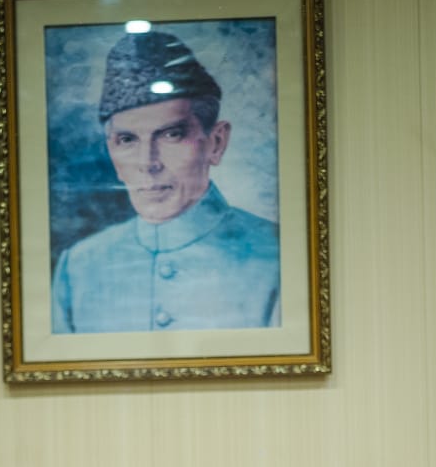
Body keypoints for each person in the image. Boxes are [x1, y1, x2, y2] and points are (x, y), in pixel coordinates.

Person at [51, 30, 281, 334]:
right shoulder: (78, 268)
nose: (148, 163)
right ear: (111, 151)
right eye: (127, 140)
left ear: (216, 143)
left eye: (172, 135)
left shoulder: (277, 256)